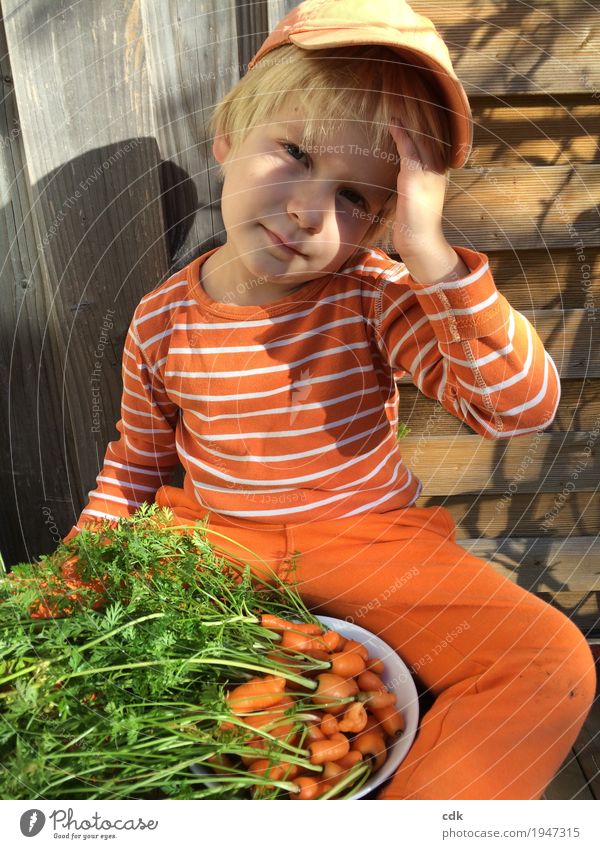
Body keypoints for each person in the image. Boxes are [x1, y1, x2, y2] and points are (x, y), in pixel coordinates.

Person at [64, 0, 595, 799]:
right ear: (228, 133)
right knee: (90, 674)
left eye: (356, 198)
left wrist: (430, 254)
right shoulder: (161, 318)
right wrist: (74, 571)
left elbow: (518, 407)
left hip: (371, 542)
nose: (308, 211)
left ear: (384, 220)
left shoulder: (376, 294)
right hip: (215, 547)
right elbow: (136, 460)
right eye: (293, 152)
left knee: (548, 662)